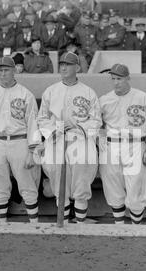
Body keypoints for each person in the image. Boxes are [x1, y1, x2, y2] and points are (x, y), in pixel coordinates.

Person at [37, 52, 102, 223]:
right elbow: (42, 117)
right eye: (62, 64)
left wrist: (78, 126)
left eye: (68, 64)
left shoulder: (88, 92)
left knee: (81, 182)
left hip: (81, 139)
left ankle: (80, 225)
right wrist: (53, 131)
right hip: (56, 139)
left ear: (77, 68)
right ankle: (63, 224)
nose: (64, 67)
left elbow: (96, 120)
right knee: (58, 183)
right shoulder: (51, 91)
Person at [0, 56, 42, 223]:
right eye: (0, 70)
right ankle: (1, 225)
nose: (3, 73)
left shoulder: (25, 94)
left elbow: (34, 123)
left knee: (27, 184)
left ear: (14, 71)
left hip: (20, 141)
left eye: (6, 70)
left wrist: (32, 151)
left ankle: (34, 226)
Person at [99, 64, 146, 224]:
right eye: (113, 79)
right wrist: (101, 145)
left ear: (128, 78)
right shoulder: (104, 99)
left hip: (135, 145)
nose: (116, 82)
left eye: (119, 78)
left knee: (136, 187)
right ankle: (120, 227)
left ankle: (135, 228)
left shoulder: (142, 97)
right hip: (111, 146)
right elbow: (96, 125)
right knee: (113, 187)